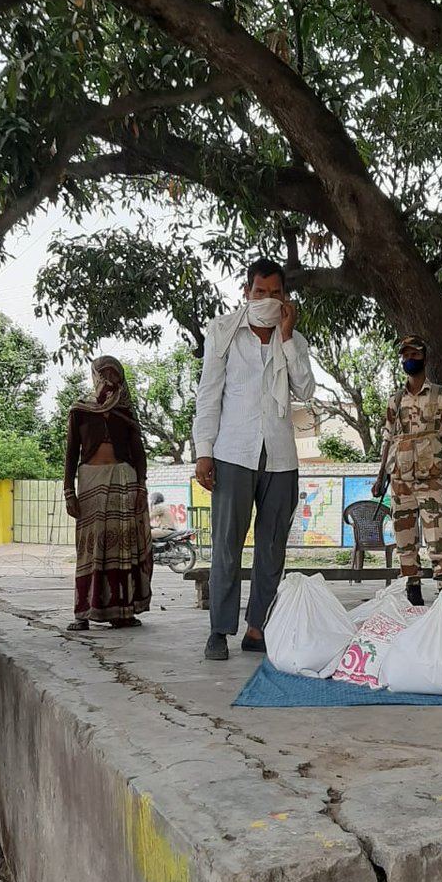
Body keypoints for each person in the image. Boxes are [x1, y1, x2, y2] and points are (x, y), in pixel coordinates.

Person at [193, 258, 315, 661]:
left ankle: (257, 627)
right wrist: (203, 452)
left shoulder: (292, 338)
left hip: (280, 455)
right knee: (227, 545)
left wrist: (288, 336)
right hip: (233, 452)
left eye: (275, 293)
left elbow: (305, 390)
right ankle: (219, 631)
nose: (266, 299)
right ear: (246, 293)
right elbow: (209, 395)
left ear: (285, 297)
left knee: (272, 547)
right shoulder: (224, 333)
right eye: (259, 292)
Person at [63, 356, 152, 630]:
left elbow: (138, 454)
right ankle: (83, 613)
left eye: (115, 373)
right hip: (90, 483)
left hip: (123, 480)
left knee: (122, 547)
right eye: (104, 373)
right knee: (89, 548)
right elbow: (71, 454)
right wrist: (69, 490)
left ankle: (121, 612)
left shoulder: (125, 411)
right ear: (95, 375)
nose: (110, 378)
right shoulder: (79, 410)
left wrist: (141, 486)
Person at [371, 336, 442, 606]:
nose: (409, 358)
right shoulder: (395, 400)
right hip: (400, 481)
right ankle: (412, 593)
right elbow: (388, 438)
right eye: (405, 354)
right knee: (404, 542)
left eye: (414, 353)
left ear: (425, 357)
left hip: (430, 480)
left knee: (437, 540)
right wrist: (380, 476)